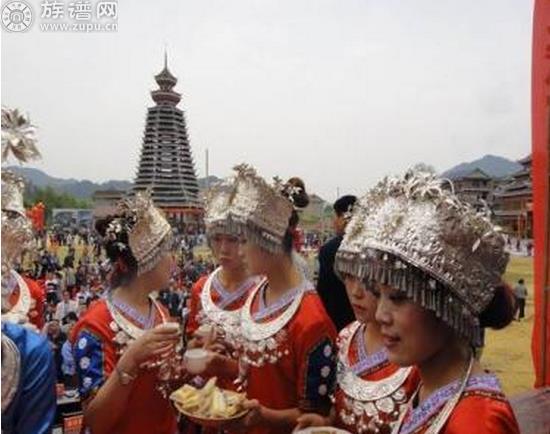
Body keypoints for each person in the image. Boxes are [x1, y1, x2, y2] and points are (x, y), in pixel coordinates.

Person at [352, 171, 519, 433]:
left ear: (448, 305)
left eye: (397, 297)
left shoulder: (477, 423)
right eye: (378, 294)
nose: (381, 314)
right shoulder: (427, 383)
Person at [215, 165, 337, 434]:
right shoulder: (256, 295)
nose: (238, 251)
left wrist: (265, 416)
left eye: (243, 241)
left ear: (268, 240)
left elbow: (316, 417)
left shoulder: (311, 321)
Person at [296, 197, 421, 433]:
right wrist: (324, 423)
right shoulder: (346, 337)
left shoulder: (413, 355)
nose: (355, 292)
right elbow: (342, 410)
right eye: (349, 277)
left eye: (367, 280)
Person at [70, 192, 181, 434]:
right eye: (165, 252)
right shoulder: (95, 326)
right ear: (145, 262)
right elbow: (97, 421)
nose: (172, 260)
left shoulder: (160, 312)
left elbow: (163, 389)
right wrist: (130, 360)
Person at [316, 195, 357, 331]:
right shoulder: (369, 247)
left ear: (343, 218)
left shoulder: (330, 250)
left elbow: (323, 290)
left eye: (335, 217)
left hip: (335, 321)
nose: (334, 222)